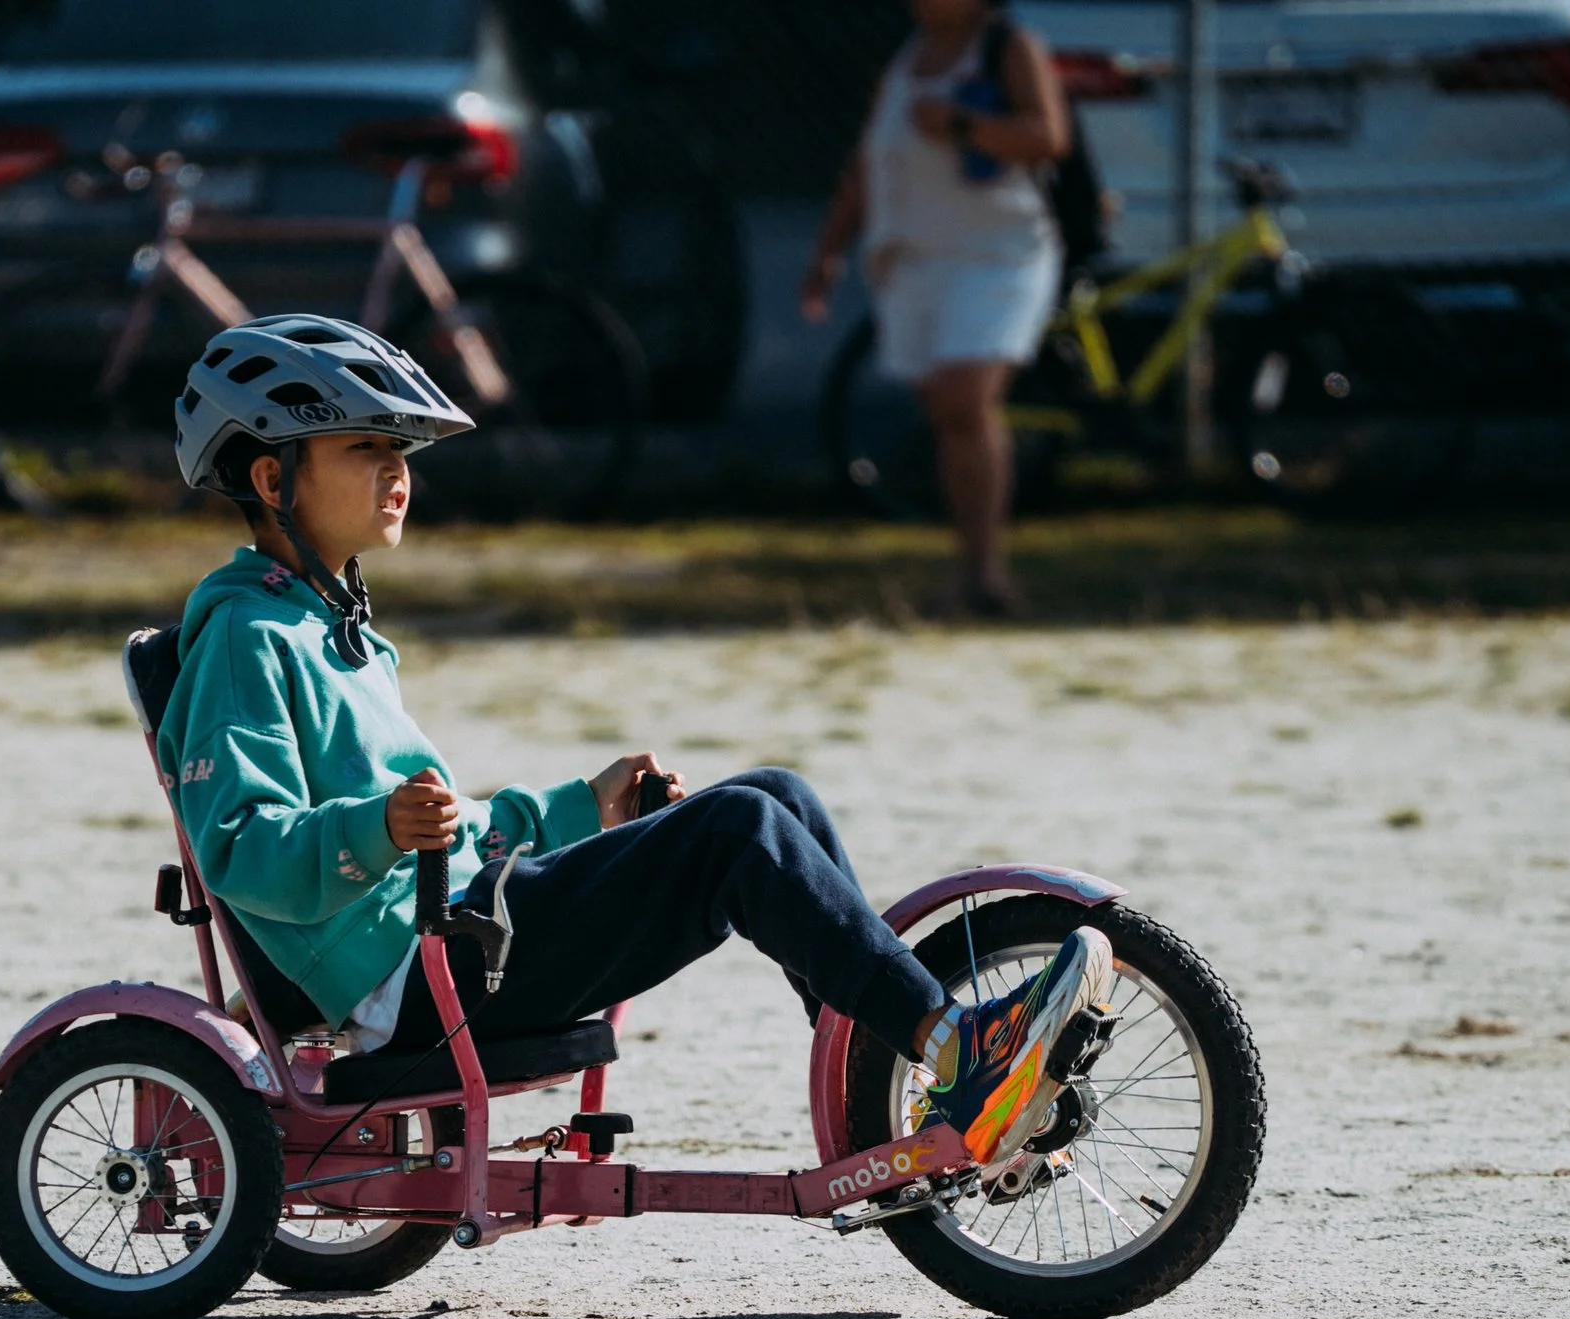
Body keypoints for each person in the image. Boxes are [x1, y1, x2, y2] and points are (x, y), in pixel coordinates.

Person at [151, 313, 1114, 1170]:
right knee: (738, 830)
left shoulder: (331, 625)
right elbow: (239, 847)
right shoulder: (248, 637)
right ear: (273, 477)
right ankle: (957, 1049)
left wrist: (585, 805)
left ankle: (901, 1064)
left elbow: (451, 827)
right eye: (366, 446)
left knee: (778, 796)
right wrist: (379, 828)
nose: (398, 470)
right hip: (415, 978)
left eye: (403, 448)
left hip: (458, 932)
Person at [801, 0, 1069, 616]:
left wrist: (960, 124)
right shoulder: (904, 63)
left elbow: (1047, 136)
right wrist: (828, 251)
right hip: (917, 261)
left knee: (964, 397)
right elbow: (868, 164)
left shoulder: (1009, 47)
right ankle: (971, 567)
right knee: (949, 415)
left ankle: (986, 575)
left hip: (999, 254)